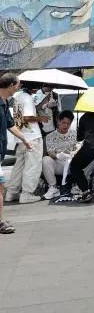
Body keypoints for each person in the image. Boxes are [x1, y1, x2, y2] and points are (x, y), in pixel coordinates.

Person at [0, 73, 33, 234]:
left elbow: (11, 124)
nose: (18, 88)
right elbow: (22, 119)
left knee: (1, 188)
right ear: (11, 85)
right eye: (17, 85)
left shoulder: (5, 102)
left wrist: (24, 139)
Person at [5, 83, 48, 204]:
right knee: (32, 166)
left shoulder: (18, 96)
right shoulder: (27, 98)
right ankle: (27, 194)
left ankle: (11, 192)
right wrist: (41, 118)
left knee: (19, 166)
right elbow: (27, 117)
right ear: (33, 87)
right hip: (32, 137)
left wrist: (39, 105)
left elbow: (20, 117)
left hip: (22, 137)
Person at [42, 110, 77, 200]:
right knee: (46, 159)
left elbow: (78, 148)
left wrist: (74, 153)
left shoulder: (75, 134)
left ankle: (78, 185)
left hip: (72, 164)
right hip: (58, 164)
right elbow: (50, 152)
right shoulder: (50, 136)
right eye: (63, 123)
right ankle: (53, 187)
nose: (66, 126)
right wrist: (58, 156)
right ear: (58, 121)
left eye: (68, 123)